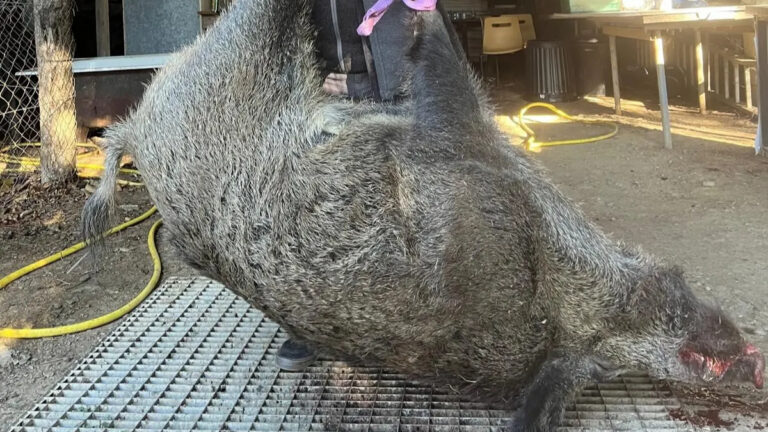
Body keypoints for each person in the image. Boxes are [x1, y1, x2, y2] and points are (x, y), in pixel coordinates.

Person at [276, 0, 464, 372]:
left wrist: (373, 83)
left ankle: (421, 318)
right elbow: (279, 34)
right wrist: (304, 82)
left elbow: (426, 30)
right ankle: (311, 322)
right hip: (326, 99)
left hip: (398, 93)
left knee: (411, 210)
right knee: (321, 210)